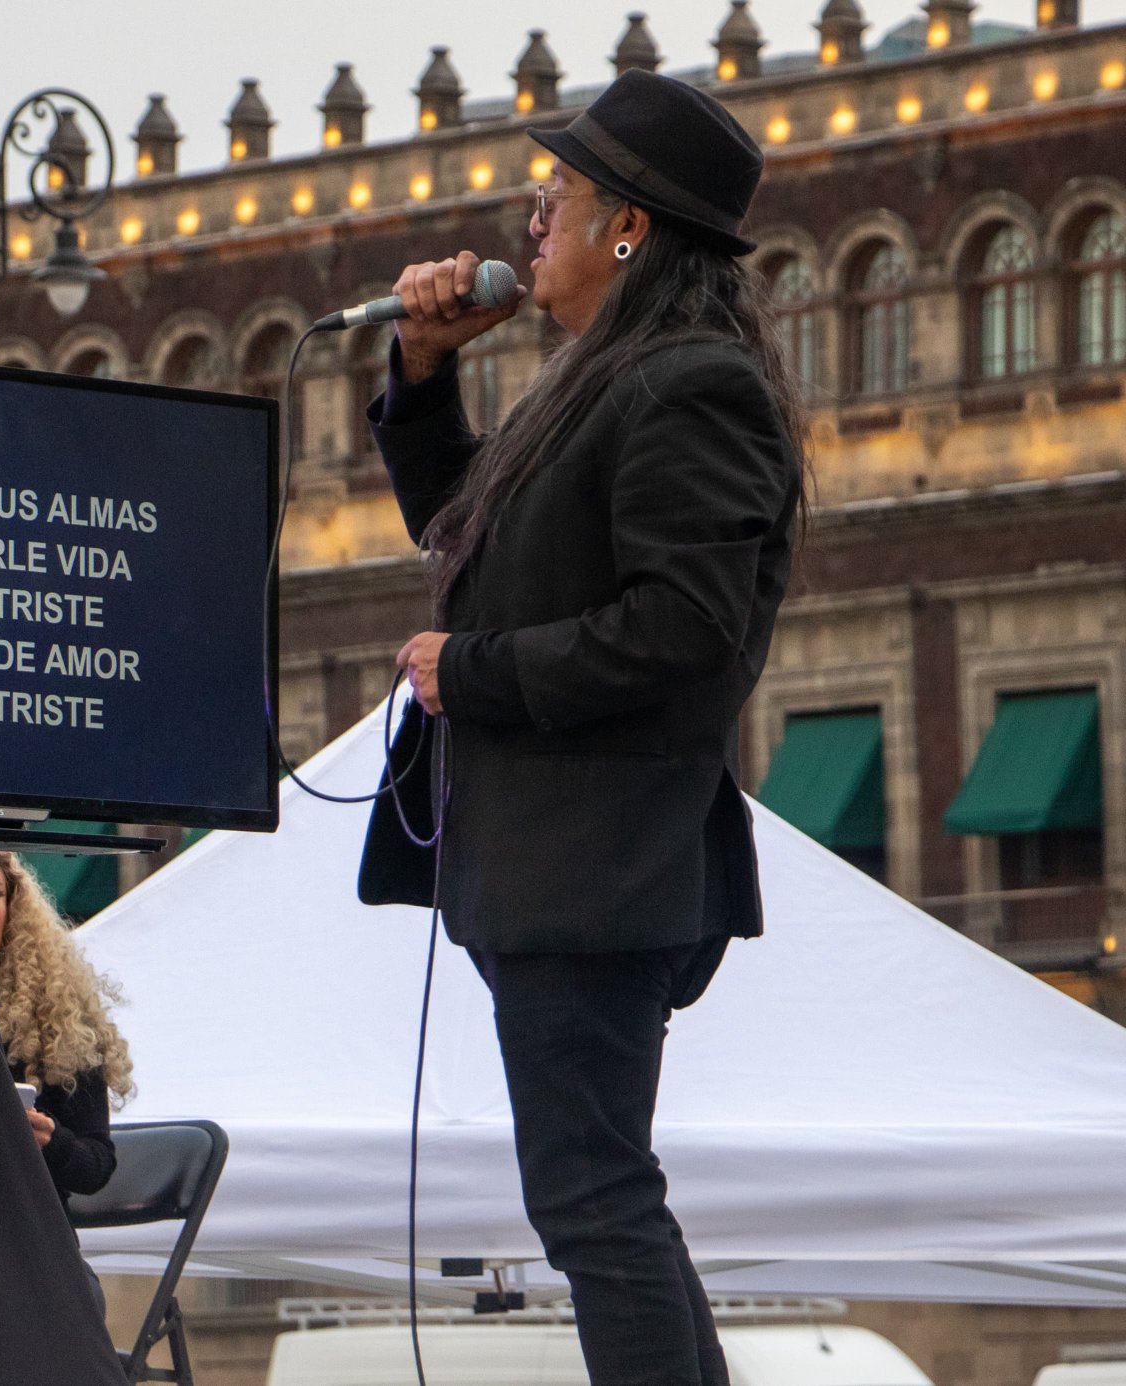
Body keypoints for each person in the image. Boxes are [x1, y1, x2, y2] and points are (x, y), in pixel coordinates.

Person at [358, 70, 807, 1386]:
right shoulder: (602, 383)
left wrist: (475, 672)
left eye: (563, 188)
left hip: (597, 864)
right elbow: (470, 536)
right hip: (557, 865)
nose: (533, 207)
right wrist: (424, 369)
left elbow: (686, 632)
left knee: (595, 1199)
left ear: (633, 230)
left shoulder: (690, 386)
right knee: (598, 1194)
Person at [0, 849, 135, 1313]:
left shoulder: (58, 1022)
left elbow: (97, 1166)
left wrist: (50, 1140)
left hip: (31, 1252)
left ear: (12, 911)